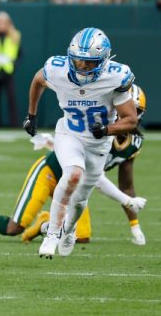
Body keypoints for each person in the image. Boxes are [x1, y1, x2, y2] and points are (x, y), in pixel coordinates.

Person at [0, 84, 149, 247]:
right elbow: (96, 180)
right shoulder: (98, 129)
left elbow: (127, 185)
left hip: (76, 185)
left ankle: (44, 225)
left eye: (134, 110)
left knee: (82, 236)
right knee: (14, 228)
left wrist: (134, 225)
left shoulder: (133, 144)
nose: (125, 114)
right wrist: (126, 200)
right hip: (52, 172)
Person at [21, 27, 138, 258]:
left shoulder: (115, 76)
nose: (82, 67)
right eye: (78, 61)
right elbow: (37, 80)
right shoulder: (58, 68)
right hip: (69, 134)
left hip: (98, 145)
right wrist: (31, 115)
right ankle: (52, 235)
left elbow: (131, 120)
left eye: (89, 63)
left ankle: (69, 229)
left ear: (104, 61)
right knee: (72, 174)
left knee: (79, 200)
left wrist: (107, 129)